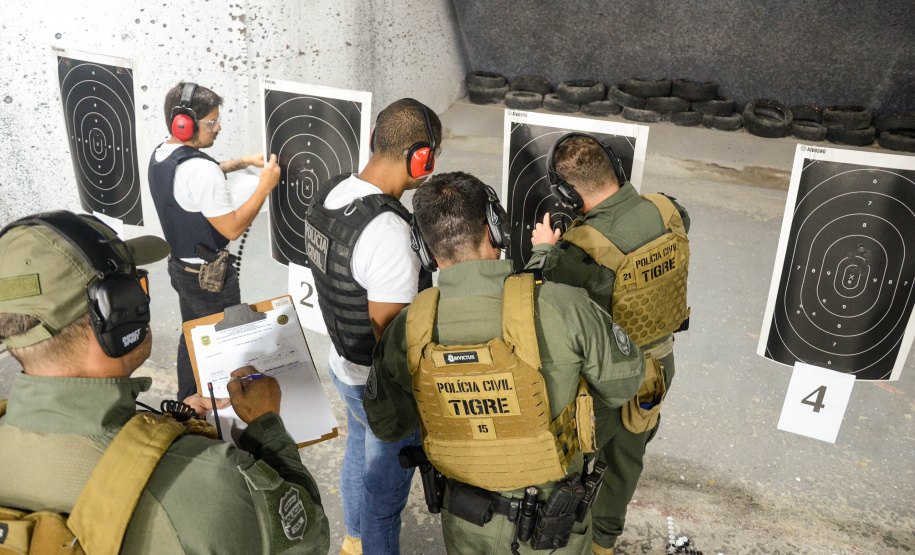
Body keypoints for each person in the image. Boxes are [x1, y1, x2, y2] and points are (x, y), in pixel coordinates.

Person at [0, 210, 329, 553]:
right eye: (137, 286)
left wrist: (173, 428)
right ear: (119, 314)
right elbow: (312, 537)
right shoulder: (210, 482)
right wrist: (267, 426)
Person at [364, 172, 646, 554]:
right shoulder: (564, 306)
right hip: (553, 529)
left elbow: (387, 424)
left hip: (466, 526)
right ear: (495, 228)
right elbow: (625, 385)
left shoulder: (406, 329)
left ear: (424, 248)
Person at [527, 134, 691, 555]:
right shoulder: (667, 210)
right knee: (626, 461)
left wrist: (545, 251)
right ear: (615, 169)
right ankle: (605, 545)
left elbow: (541, 297)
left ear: (565, 192)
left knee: (577, 468)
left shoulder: (582, 251)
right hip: (659, 366)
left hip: (606, 381)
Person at [304, 98, 441, 554]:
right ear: (421, 157)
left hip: (342, 365)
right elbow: (393, 338)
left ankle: (353, 542)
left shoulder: (331, 191)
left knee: (357, 450)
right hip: (377, 386)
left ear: (372, 141)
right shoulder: (389, 233)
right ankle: (368, 541)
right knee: (385, 502)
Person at [148, 81, 281, 415]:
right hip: (210, 277)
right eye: (211, 122)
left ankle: (187, 399)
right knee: (225, 340)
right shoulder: (201, 171)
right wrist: (264, 187)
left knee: (191, 333)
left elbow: (201, 173)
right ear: (185, 124)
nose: (218, 127)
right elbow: (233, 228)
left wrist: (240, 162)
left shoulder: (163, 154)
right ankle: (223, 405)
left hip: (181, 267)